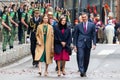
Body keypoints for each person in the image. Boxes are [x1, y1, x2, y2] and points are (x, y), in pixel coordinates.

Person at [73, 12, 96, 77]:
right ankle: (81, 70)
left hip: (88, 43)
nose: (84, 18)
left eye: (85, 17)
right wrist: (74, 45)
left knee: (86, 58)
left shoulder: (92, 25)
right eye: (82, 17)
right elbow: (75, 36)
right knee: (80, 56)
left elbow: (94, 35)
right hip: (80, 43)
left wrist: (94, 43)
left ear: (87, 17)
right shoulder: (78, 26)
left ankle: (84, 70)